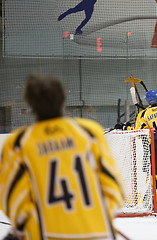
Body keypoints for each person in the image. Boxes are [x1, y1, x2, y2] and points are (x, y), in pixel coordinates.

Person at [0, 74, 125, 239]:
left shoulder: (18, 142)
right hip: (99, 232)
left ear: (30, 104)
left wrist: (32, 227)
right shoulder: (89, 132)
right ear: (63, 100)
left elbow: (13, 202)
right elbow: (114, 188)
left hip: (47, 234)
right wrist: (97, 217)